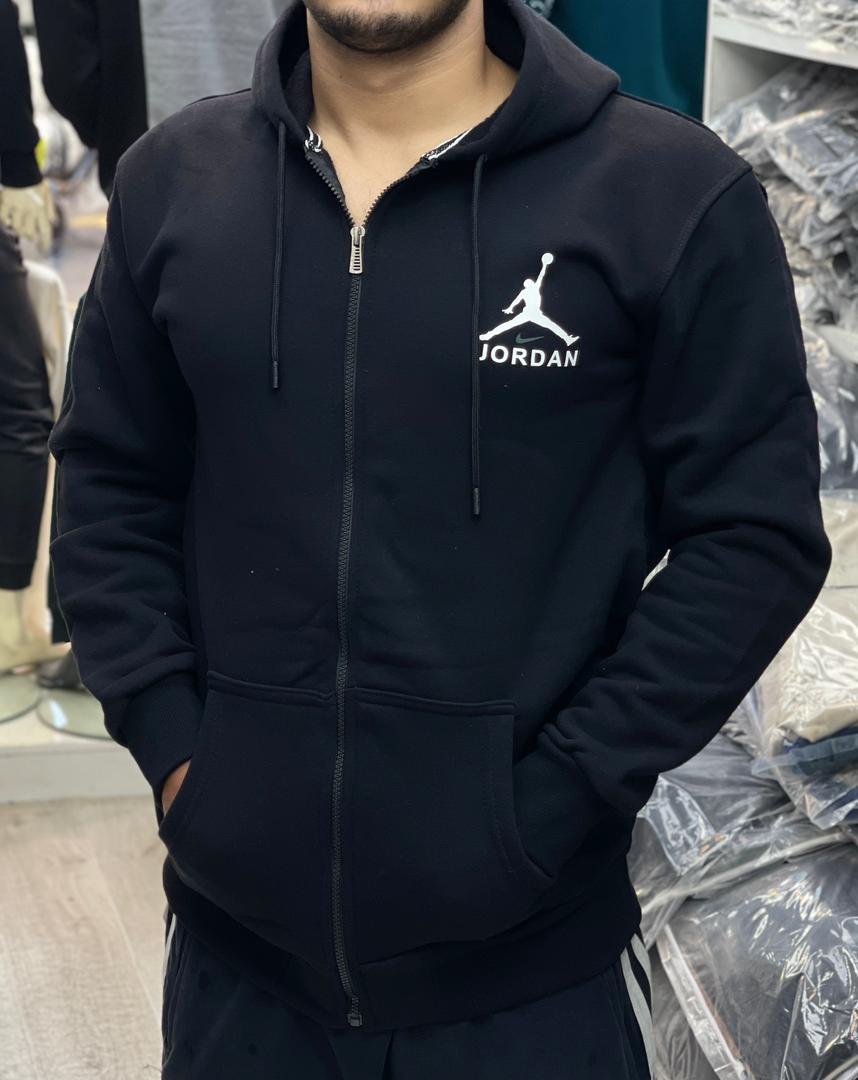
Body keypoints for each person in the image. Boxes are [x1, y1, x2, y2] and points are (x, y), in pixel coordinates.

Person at [47, 0, 832, 1075]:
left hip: (529, 987)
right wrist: (179, 751)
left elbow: (754, 534)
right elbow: (109, 477)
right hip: (240, 984)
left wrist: (560, 795)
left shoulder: (669, 195)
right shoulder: (173, 181)